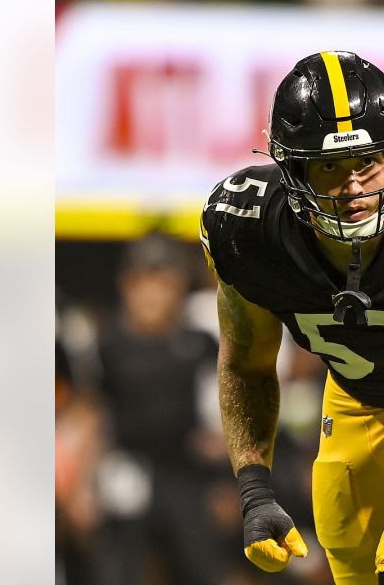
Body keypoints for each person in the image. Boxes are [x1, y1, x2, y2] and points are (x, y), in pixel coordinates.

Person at [200, 51, 384, 584]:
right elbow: (246, 362)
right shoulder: (246, 227)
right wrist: (254, 489)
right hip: (357, 405)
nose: (354, 188)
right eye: (329, 167)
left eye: (367, 163)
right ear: (291, 170)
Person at [89, 233, 230, 585]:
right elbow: (90, 410)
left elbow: (224, 413)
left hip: (187, 473)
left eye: (162, 282)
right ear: (126, 285)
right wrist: (84, 483)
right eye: (142, 282)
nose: (151, 294)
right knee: (120, 569)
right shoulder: (107, 343)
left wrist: (230, 481)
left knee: (200, 566)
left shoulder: (199, 343)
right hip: (126, 468)